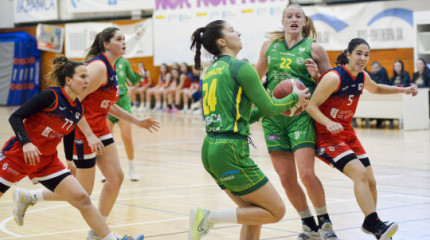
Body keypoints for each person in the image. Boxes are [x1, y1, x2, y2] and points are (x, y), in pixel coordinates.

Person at [14, 27, 160, 240]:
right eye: (119, 39)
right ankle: (29, 196)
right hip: (83, 134)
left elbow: (108, 105)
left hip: (99, 130)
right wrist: (89, 134)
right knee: (82, 192)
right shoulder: (98, 67)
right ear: (107, 44)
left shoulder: (112, 66)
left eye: (124, 39)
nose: (124, 42)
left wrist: (137, 121)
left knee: (116, 177)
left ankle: (97, 233)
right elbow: (73, 102)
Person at [188, 20, 310, 240]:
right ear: (222, 41)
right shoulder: (241, 67)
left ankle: (208, 218)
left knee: (254, 216)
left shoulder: (212, 71)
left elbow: (244, 116)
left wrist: (273, 107)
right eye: (232, 30)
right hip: (230, 151)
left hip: (211, 148)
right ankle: (208, 217)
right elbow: (270, 108)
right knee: (275, 211)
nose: (239, 32)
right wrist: (294, 98)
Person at [307, 38, 418, 240]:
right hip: (327, 136)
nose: (363, 58)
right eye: (358, 53)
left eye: (366, 54)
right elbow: (311, 106)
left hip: (347, 134)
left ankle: (372, 223)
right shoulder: (334, 77)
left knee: (371, 182)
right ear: (348, 54)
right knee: (359, 173)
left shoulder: (362, 76)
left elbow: (376, 88)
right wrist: (327, 122)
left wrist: (402, 89)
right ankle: (374, 223)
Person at [253, 4, 338, 240]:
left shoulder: (315, 49)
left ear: (304, 21)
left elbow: (331, 85)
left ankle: (326, 224)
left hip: (301, 118)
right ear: (282, 21)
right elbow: (255, 78)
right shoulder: (269, 46)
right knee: (285, 178)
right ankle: (309, 226)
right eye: (289, 16)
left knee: (307, 175)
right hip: (273, 118)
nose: (293, 19)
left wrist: (315, 76)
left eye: (298, 16)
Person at [104, 57, 145, 182]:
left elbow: (133, 80)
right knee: (107, 140)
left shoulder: (124, 62)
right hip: (108, 103)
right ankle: (108, 170)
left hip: (123, 102)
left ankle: (132, 168)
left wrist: (139, 75)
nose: (122, 43)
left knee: (127, 137)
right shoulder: (102, 62)